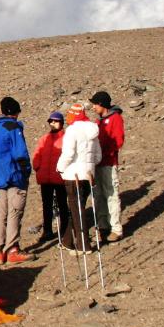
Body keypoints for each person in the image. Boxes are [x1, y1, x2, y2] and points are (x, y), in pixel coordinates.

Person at [0, 96, 33, 265]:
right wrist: (26, 172)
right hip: (14, 177)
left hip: (0, 179)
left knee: (2, 213)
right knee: (14, 212)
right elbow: (20, 154)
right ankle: (13, 250)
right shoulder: (13, 128)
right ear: (15, 112)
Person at [56, 102, 102, 253]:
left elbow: (68, 153)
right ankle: (67, 240)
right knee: (77, 207)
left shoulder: (72, 131)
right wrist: (90, 166)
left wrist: (60, 167)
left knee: (76, 209)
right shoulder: (93, 131)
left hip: (73, 173)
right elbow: (98, 156)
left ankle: (84, 245)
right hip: (88, 174)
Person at [90, 90, 126, 242]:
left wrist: (105, 154)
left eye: (95, 104)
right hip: (98, 163)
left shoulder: (115, 118)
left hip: (108, 163)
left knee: (111, 194)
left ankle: (116, 228)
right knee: (98, 195)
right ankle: (103, 225)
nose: (93, 107)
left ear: (102, 104)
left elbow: (118, 140)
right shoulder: (99, 122)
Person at [31, 111, 70, 247]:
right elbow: (37, 153)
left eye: (56, 121)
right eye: (51, 121)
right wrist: (37, 167)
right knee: (46, 205)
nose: (53, 123)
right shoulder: (44, 138)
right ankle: (47, 230)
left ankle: (64, 230)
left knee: (62, 204)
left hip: (59, 177)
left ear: (61, 122)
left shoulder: (66, 138)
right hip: (45, 178)